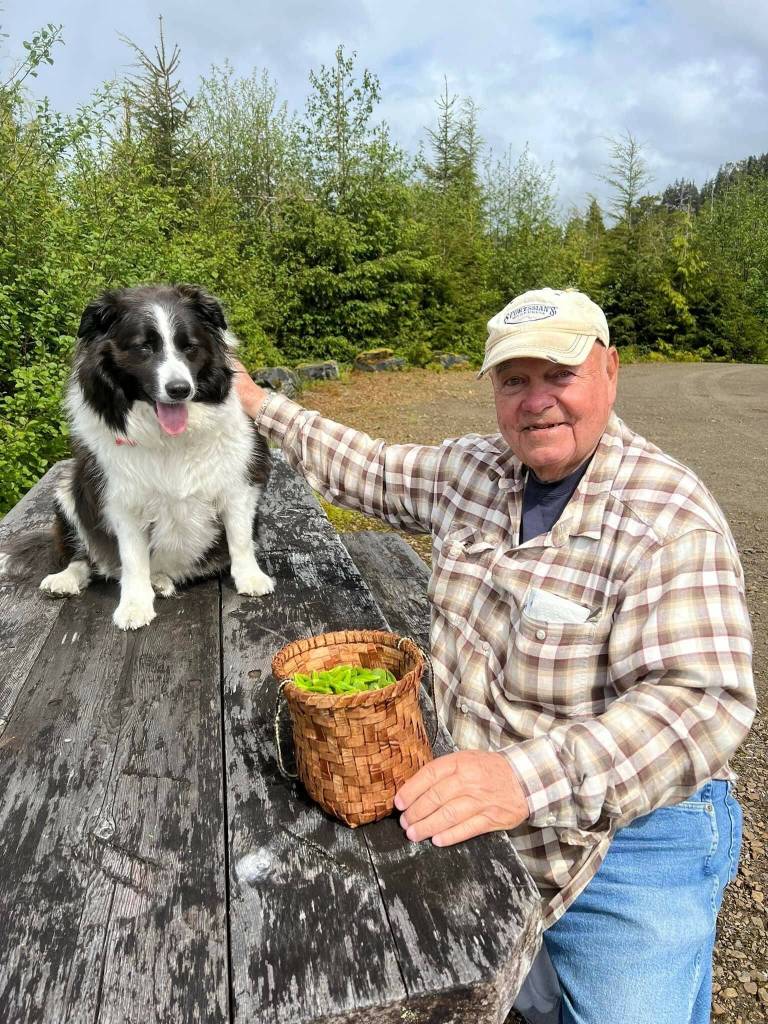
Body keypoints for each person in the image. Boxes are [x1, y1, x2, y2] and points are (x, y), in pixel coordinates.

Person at [234, 287, 755, 1024]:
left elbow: (704, 703)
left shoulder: (668, 518)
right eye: (515, 380)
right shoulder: (476, 473)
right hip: (490, 804)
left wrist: (520, 777)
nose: (536, 401)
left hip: (634, 834)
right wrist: (258, 403)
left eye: (559, 375)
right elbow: (372, 469)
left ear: (609, 371)